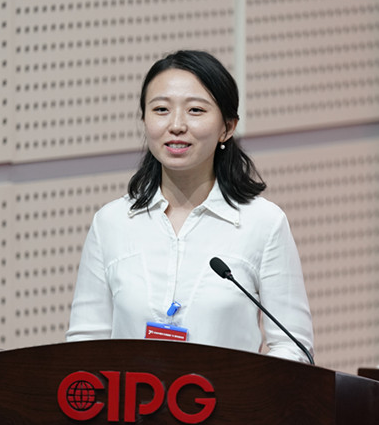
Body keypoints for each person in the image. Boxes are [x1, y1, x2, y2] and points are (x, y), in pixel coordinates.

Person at [65, 50, 314, 363]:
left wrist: (250, 390)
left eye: (195, 110)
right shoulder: (112, 222)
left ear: (227, 127)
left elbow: (293, 347)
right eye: (161, 109)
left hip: (229, 395)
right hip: (130, 395)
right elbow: (85, 344)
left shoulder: (263, 223)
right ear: (144, 120)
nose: (176, 125)